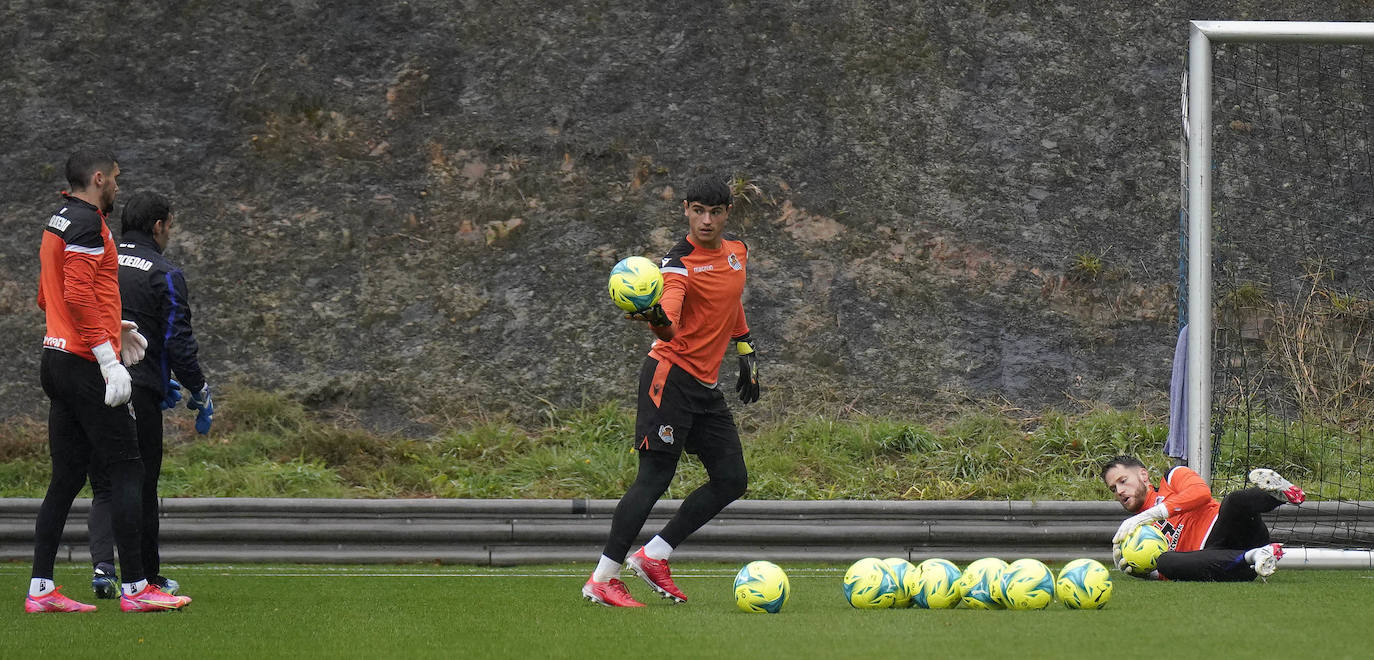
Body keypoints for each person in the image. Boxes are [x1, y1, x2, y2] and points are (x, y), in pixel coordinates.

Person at [582, 175, 759, 607]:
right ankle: (603, 579)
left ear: (726, 214)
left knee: (731, 479)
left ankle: (654, 556)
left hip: (704, 386)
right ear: (685, 209)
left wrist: (745, 346)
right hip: (670, 378)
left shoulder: (737, 253)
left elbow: (731, 299)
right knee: (655, 476)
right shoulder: (677, 265)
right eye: (698, 211)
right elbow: (670, 326)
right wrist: (654, 315)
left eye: (714, 212)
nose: (706, 220)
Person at [25, 150, 190, 614]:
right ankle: (137, 588)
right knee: (128, 469)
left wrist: (112, 326)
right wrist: (107, 357)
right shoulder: (88, 224)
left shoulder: (57, 220)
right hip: (82, 364)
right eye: (115, 179)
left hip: (55, 357)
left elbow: (48, 296)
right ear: (98, 179)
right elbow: (76, 293)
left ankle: (40, 589)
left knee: (67, 478)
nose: (118, 186)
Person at [86, 190, 213, 600]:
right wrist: (198, 387)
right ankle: (145, 578)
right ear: (159, 226)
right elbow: (178, 341)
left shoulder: (100, 258)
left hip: (88, 379)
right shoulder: (164, 272)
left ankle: (95, 570)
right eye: (169, 226)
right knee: (140, 482)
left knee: (100, 482)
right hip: (134, 390)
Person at [1102, 454, 1306, 581]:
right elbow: (1171, 569)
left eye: (1123, 481)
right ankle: (1256, 556)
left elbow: (1201, 493)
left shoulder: (1172, 477)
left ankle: (1281, 494)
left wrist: (1149, 515)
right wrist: (1146, 573)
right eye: (1113, 488)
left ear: (1143, 475)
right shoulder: (1133, 532)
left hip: (1230, 528)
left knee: (1234, 501)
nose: (1119, 491)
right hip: (1217, 563)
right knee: (1165, 562)